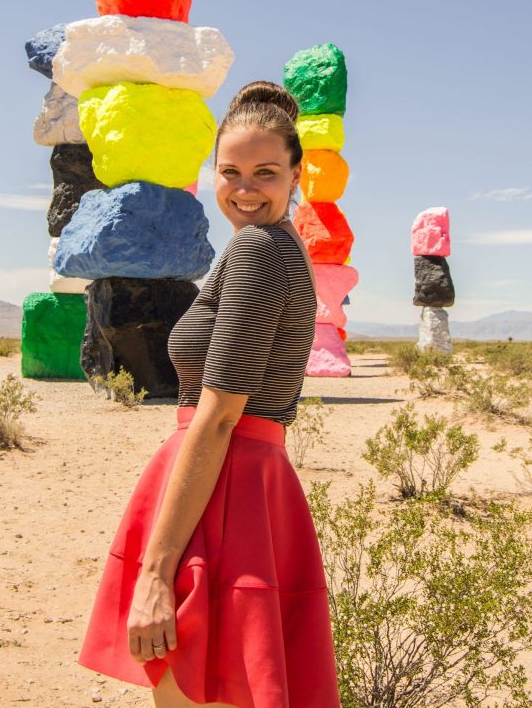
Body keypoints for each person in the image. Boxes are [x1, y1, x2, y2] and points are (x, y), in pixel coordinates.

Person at [77, 81, 341, 708]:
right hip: (244, 487)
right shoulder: (280, 249)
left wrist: (156, 573)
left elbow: (220, 417)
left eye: (266, 172)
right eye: (231, 172)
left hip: (224, 490)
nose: (245, 189)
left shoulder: (257, 250)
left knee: (189, 693)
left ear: (296, 175)